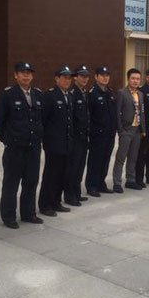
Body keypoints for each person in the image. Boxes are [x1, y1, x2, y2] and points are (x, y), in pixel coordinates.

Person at [0, 62, 44, 229]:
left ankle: (28, 213)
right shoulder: (8, 95)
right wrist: (7, 139)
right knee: (11, 183)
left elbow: (41, 119)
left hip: (33, 147)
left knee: (31, 181)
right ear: (16, 75)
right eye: (22, 72)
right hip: (15, 148)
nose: (26, 75)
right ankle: (8, 216)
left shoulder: (38, 94)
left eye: (29, 72)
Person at [38, 66, 74, 216]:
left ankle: (56, 202)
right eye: (64, 77)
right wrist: (46, 140)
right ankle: (45, 204)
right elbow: (43, 120)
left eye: (69, 78)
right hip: (54, 144)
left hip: (66, 143)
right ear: (57, 79)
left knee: (62, 174)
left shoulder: (69, 96)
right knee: (51, 175)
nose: (67, 80)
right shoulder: (50, 96)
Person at [85, 66, 117, 197]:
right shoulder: (92, 94)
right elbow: (89, 116)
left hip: (109, 134)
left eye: (107, 75)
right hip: (97, 135)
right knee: (95, 161)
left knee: (105, 160)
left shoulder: (109, 92)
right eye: (102, 75)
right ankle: (91, 185)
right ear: (96, 77)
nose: (105, 78)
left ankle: (101, 183)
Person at [113, 68, 146, 192]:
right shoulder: (122, 93)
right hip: (126, 130)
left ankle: (130, 180)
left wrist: (143, 129)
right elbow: (117, 113)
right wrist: (120, 130)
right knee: (121, 157)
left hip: (137, 130)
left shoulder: (140, 94)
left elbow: (142, 113)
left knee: (133, 157)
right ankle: (117, 182)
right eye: (133, 78)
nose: (135, 81)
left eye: (138, 79)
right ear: (128, 79)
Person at [66, 65, 91, 206]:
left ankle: (77, 193)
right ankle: (70, 196)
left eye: (86, 76)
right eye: (82, 76)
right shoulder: (72, 93)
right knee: (73, 168)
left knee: (80, 166)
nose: (85, 79)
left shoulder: (84, 93)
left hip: (83, 137)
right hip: (75, 137)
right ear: (75, 77)